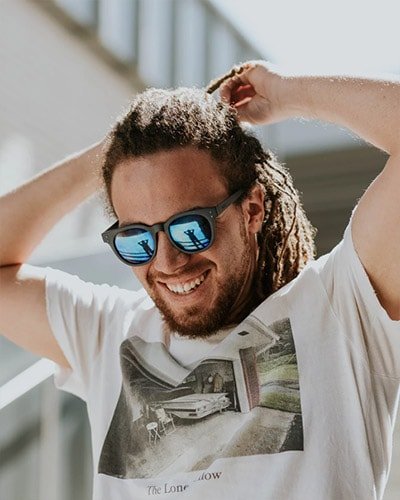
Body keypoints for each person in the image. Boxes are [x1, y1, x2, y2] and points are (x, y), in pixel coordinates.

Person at [0, 61, 399, 499]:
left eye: (190, 228)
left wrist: (287, 92)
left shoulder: (341, 310)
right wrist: (106, 156)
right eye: (137, 239)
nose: (168, 261)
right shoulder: (110, 333)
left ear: (252, 210)